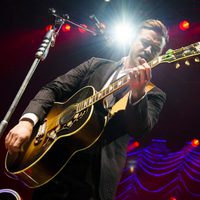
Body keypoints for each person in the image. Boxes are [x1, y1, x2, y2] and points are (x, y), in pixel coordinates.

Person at [5, 19, 169, 200]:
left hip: (94, 180)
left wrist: (138, 94)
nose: (148, 50)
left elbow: (139, 129)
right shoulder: (95, 65)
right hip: (53, 163)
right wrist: (27, 122)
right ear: (132, 40)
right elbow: (53, 89)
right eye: (145, 42)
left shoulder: (153, 93)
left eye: (155, 48)